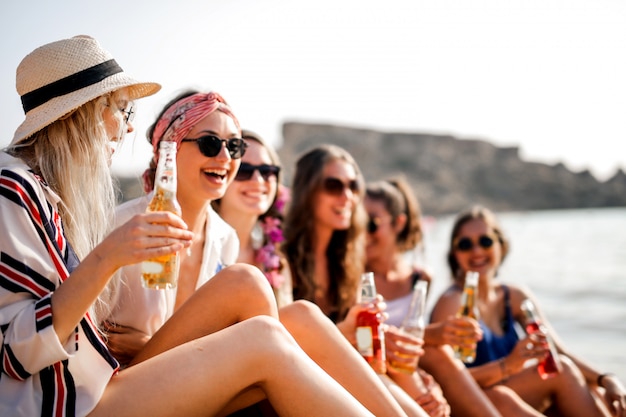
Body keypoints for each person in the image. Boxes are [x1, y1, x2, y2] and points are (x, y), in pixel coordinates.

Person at [0, 35, 375, 416]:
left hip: (93, 387)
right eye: (122, 110)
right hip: (73, 402)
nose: (128, 128)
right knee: (264, 328)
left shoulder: (51, 197)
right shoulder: (16, 189)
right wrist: (109, 257)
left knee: (285, 311)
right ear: (82, 114)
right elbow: (17, 354)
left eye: (236, 148)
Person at [103, 90, 410, 416]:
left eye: (234, 147)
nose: (224, 158)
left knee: (300, 316)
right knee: (246, 283)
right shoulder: (121, 225)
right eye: (210, 144)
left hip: (189, 377)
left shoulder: (224, 237)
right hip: (128, 389)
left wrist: (142, 342)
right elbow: (76, 332)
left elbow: (208, 337)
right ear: (170, 148)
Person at [282, 144, 434, 417]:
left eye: (353, 186)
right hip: (297, 383)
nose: (347, 196)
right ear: (308, 191)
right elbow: (280, 349)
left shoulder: (349, 261)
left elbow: (364, 346)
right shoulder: (280, 258)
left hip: (346, 375)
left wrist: (422, 382)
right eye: (333, 186)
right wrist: (346, 332)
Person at [430, 205, 625, 417]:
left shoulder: (513, 296)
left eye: (485, 241)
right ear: (454, 253)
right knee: (506, 396)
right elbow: (446, 381)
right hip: (473, 404)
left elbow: (557, 351)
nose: (477, 251)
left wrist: (607, 379)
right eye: (465, 244)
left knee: (583, 382)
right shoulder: (453, 303)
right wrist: (508, 366)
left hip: (509, 395)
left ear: (501, 245)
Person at [365, 178, 503, 417]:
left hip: (409, 371)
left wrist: (431, 384)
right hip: (377, 371)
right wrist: (436, 334)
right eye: (358, 223)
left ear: (399, 223)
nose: (363, 232)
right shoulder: (355, 279)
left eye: (371, 224)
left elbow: (415, 339)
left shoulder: (420, 278)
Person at [212, 129, 293, 308]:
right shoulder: (197, 248)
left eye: (267, 171)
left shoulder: (278, 264)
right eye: (244, 170)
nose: (257, 180)